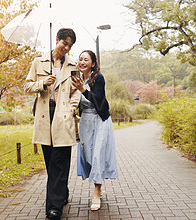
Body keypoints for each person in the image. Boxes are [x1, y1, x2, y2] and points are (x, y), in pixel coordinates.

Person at [23, 28, 81, 219]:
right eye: (64, 43)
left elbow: (78, 91)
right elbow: (26, 86)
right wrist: (43, 83)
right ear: (56, 40)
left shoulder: (73, 64)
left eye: (70, 45)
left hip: (63, 115)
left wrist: (71, 109)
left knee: (59, 160)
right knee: (51, 162)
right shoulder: (39, 62)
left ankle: (54, 207)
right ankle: (61, 193)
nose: (67, 48)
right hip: (44, 115)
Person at [71, 50, 118, 211]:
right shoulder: (76, 79)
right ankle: (98, 182)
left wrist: (82, 90)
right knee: (88, 156)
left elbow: (98, 99)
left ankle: (97, 191)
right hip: (85, 121)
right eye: (80, 59)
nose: (82, 62)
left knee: (98, 154)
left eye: (86, 59)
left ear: (92, 63)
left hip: (100, 120)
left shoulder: (98, 78)